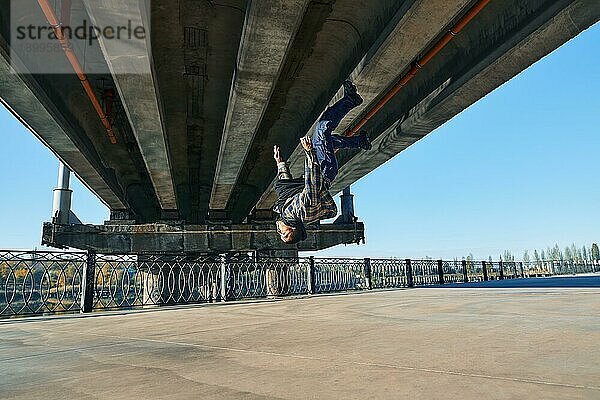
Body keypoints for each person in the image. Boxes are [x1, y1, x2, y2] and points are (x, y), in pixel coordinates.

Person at [273, 80, 372, 244]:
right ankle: (351, 99)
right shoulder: (298, 212)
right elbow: (312, 187)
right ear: (292, 229)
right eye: (284, 235)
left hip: (320, 170)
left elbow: (287, 189)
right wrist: (310, 154)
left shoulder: (287, 211)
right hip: (323, 171)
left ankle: (360, 141)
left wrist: (280, 164)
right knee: (321, 130)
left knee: (327, 141)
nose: (279, 232)